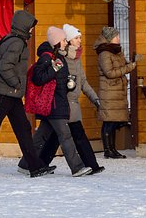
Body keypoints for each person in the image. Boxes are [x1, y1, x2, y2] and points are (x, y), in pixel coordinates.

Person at [0, 10, 54, 178]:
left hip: (9, 93)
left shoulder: (10, 39)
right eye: (30, 27)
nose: (32, 30)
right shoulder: (17, 43)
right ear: (24, 26)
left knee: (23, 128)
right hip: (5, 92)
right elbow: (5, 66)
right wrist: (17, 83)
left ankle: (34, 167)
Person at [24, 24, 105, 174]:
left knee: (49, 136)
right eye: (75, 38)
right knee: (66, 136)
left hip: (61, 103)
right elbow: (41, 78)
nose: (78, 40)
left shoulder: (71, 58)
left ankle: (28, 164)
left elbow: (82, 82)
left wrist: (94, 98)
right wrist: (58, 72)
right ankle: (79, 167)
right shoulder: (56, 57)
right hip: (59, 103)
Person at [93, 26, 137, 159]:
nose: (119, 38)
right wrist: (129, 67)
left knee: (112, 122)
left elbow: (120, 66)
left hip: (116, 91)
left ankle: (112, 149)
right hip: (110, 92)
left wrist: (130, 63)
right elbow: (109, 73)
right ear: (110, 38)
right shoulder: (104, 53)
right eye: (116, 36)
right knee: (109, 122)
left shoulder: (115, 51)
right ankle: (108, 150)